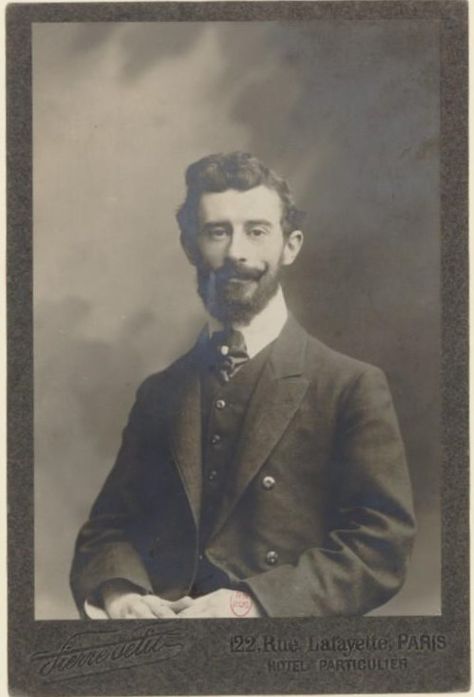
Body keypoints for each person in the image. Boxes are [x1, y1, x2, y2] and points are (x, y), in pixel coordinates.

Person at [70, 151, 416, 619]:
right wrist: (122, 595)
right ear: (190, 246)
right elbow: (109, 529)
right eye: (217, 231)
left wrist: (250, 603)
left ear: (290, 246)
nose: (237, 252)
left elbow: (381, 545)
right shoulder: (159, 393)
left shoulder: (350, 385)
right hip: (164, 650)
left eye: (257, 230)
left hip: (286, 657)